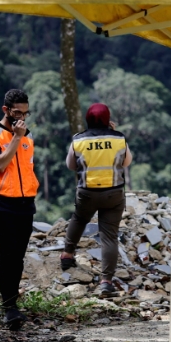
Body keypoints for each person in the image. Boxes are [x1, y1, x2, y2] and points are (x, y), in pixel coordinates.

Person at [0, 89, 39, 330]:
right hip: (3, 203)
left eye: (25, 112)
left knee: (17, 255)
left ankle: (13, 304)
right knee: (11, 254)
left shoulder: (27, 135)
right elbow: (0, 164)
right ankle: (9, 309)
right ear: (5, 110)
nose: (21, 117)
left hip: (26, 203)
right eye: (16, 112)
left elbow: (26, 168)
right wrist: (16, 137)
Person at [59, 103, 132, 296]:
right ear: (108, 119)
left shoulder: (78, 140)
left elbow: (70, 165)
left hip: (87, 192)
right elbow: (126, 162)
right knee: (109, 236)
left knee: (79, 218)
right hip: (114, 193)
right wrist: (112, 133)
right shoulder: (119, 138)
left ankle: (67, 254)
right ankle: (106, 281)